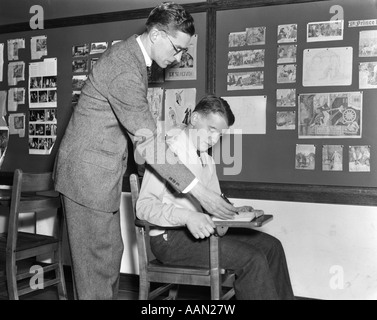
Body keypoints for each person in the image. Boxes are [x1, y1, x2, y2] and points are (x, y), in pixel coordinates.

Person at [53, 2, 236, 300]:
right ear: (156, 35)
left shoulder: (134, 62)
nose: (178, 58)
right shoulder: (125, 67)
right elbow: (147, 141)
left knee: (109, 259)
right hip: (86, 178)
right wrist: (199, 192)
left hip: (99, 175)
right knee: (96, 268)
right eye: (177, 48)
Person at [137, 95, 294, 300]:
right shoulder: (168, 152)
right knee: (252, 259)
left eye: (219, 134)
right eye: (211, 129)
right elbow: (144, 207)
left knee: (272, 247)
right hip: (170, 239)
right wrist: (186, 216)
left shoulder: (207, 159)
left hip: (203, 231)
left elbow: (214, 201)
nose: (214, 139)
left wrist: (234, 210)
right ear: (194, 119)